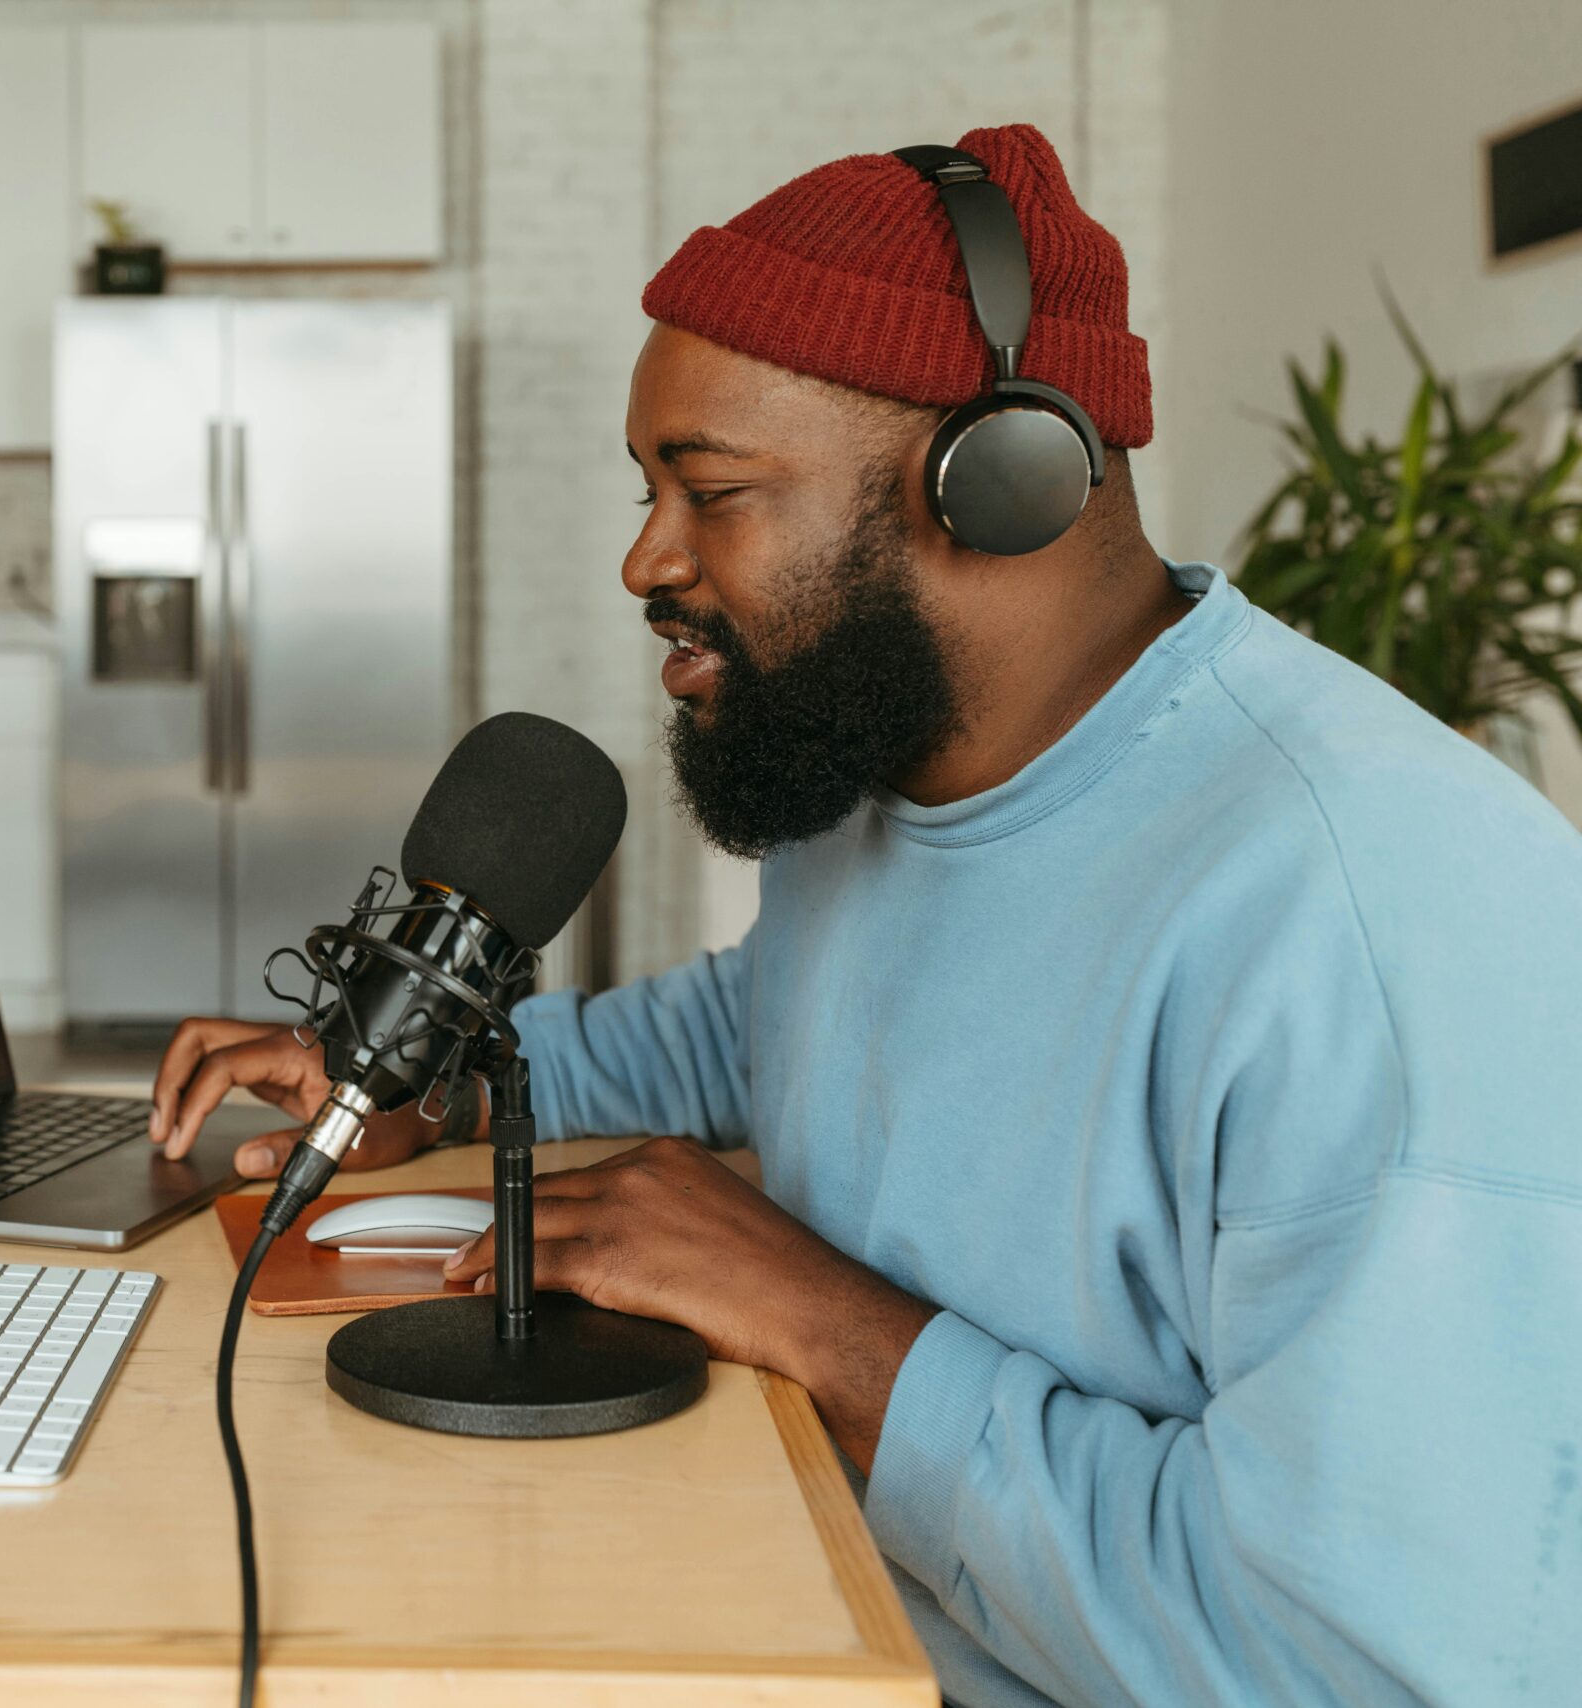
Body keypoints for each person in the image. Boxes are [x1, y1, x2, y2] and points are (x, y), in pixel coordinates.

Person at [145, 123, 1582, 1707]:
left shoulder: (1385, 925)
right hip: (794, 1582)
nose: (645, 557)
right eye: (649, 489)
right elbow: (765, 1014)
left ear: (1001, 483)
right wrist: (450, 1084)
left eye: (713, 492)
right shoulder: (886, 771)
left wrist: (829, 1330)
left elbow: (1354, 1665)